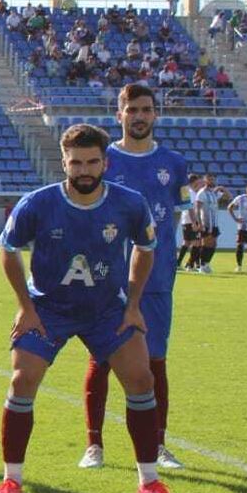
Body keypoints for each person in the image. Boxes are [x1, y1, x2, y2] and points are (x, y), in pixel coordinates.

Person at [0, 123, 175, 493]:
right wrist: (25, 307)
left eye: (92, 162)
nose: (84, 170)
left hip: (106, 309)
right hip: (48, 308)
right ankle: (11, 480)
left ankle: (150, 481)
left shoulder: (129, 203)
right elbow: (8, 248)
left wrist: (133, 304)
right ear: (64, 163)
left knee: (141, 379)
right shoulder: (38, 203)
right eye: (76, 163)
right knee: (22, 380)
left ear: (105, 163)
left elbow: (146, 248)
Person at [81, 84, 189, 472]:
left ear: (155, 114)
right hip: (108, 279)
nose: (139, 116)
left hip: (157, 279)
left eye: (146, 109)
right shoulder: (103, 160)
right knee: (101, 359)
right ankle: (94, 445)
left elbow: (172, 217)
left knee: (155, 359)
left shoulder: (174, 163)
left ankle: (158, 445)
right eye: (132, 110)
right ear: (119, 115)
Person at [190, 173, 221, 273]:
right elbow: (197, 208)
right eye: (209, 179)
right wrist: (199, 223)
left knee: (214, 244)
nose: (212, 181)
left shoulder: (213, 193)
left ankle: (206, 263)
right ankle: (201, 265)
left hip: (214, 223)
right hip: (206, 222)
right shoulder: (201, 193)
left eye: (213, 179)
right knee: (206, 243)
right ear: (205, 180)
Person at [229, 183, 247, 272]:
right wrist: (235, 218)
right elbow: (230, 207)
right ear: (246, 189)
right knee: (240, 245)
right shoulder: (240, 198)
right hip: (242, 227)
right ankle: (239, 265)